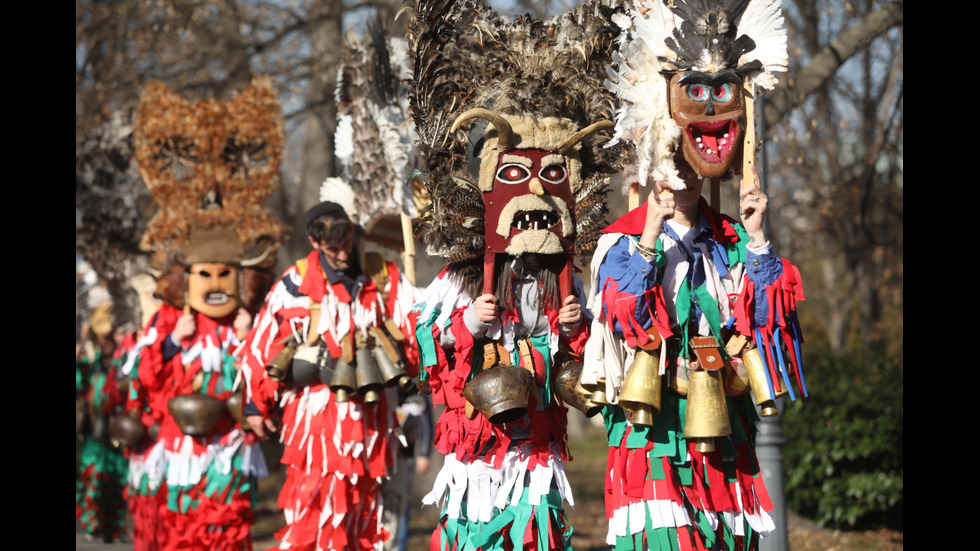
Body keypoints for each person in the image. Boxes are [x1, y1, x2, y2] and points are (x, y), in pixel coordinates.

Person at [586, 1, 807, 548]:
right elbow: (626, 321)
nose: (684, 176)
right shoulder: (620, 240)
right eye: (673, 161)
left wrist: (757, 240)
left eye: (693, 166)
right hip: (654, 430)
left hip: (725, 427)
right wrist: (649, 237)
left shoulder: (731, 238)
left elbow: (766, 322)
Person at [240, 202, 420, 551]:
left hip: (372, 420)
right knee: (315, 506)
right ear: (313, 241)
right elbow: (261, 344)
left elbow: (416, 327)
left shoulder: (382, 274)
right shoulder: (296, 282)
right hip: (316, 420)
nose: (342, 254)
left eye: (346, 244)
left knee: (362, 510)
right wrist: (255, 406)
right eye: (331, 248)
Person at [135, 228, 268, 550]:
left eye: (225, 274)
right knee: (184, 522)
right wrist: (171, 342)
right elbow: (146, 381)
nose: (215, 283)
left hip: (232, 444)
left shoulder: (249, 320)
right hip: (184, 446)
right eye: (204, 274)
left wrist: (248, 337)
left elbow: (266, 380)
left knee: (229, 523)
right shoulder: (169, 319)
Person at [76, 300, 129, 543]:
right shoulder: (91, 363)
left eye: (107, 336)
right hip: (95, 435)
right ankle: (92, 524)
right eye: (100, 337)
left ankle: (113, 529)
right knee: (95, 474)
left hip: (120, 433)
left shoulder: (126, 362)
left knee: (118, 481)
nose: (103, 341)